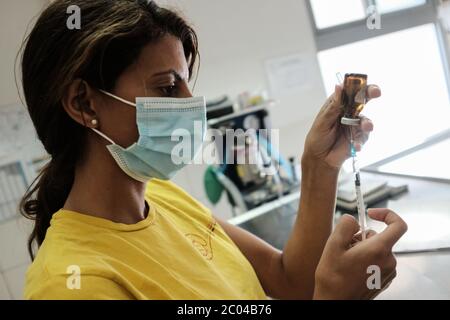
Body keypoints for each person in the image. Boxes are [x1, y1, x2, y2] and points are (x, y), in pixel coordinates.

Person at [20, 0, 407, 300]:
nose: (193, 105)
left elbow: (292, 281)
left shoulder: (164, 199)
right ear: (85, 105)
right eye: (168, 88)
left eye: (187, 86)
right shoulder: (73, 281)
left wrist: (319, 164)